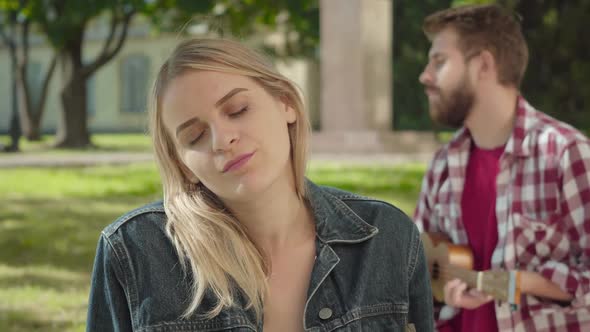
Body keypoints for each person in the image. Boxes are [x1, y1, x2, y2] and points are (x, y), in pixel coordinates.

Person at [86, 38, 434, 332]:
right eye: (195, 136)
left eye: (237, 110)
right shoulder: (132, 251)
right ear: (182, 165)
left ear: (285, 104)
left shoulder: (388, 236)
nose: (222, 139)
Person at [414, 4, 590, 332]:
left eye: (439, 61)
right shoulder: (442, 166)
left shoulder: (565, 154)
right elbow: (415, 275)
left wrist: (521, 282)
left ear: (483, 64)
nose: (425, 75)